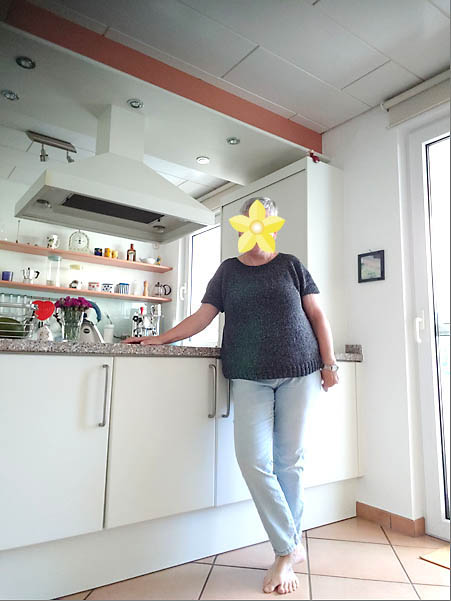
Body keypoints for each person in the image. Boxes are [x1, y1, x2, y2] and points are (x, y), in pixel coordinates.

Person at [123, 196, 339, 595]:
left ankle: (283, 553)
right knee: (253, 460)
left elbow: (317, 315)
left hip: (300, 371)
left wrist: (330, 363)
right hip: (249, 375)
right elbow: (202, 316)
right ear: (241, 226)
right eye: (250, 222)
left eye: (265, 220)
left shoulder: (291, 265)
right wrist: (160, 339)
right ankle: (290, 545)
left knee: (289, 462)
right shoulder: (228, 271)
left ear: (274, 224)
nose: (257, 228)